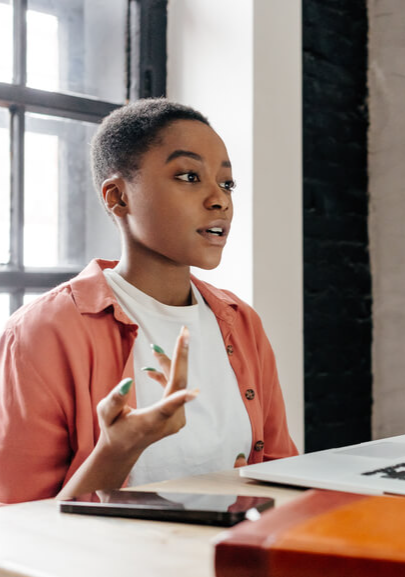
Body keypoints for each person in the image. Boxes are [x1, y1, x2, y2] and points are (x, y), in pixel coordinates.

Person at [0, 98, 298, 504]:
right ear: (117, 197)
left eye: (226, 183)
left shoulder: (241, 321)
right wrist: (117, 450)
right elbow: (21, 530)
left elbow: (281, 476)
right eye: (190, 176)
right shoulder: (41, 331)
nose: (219, 200)